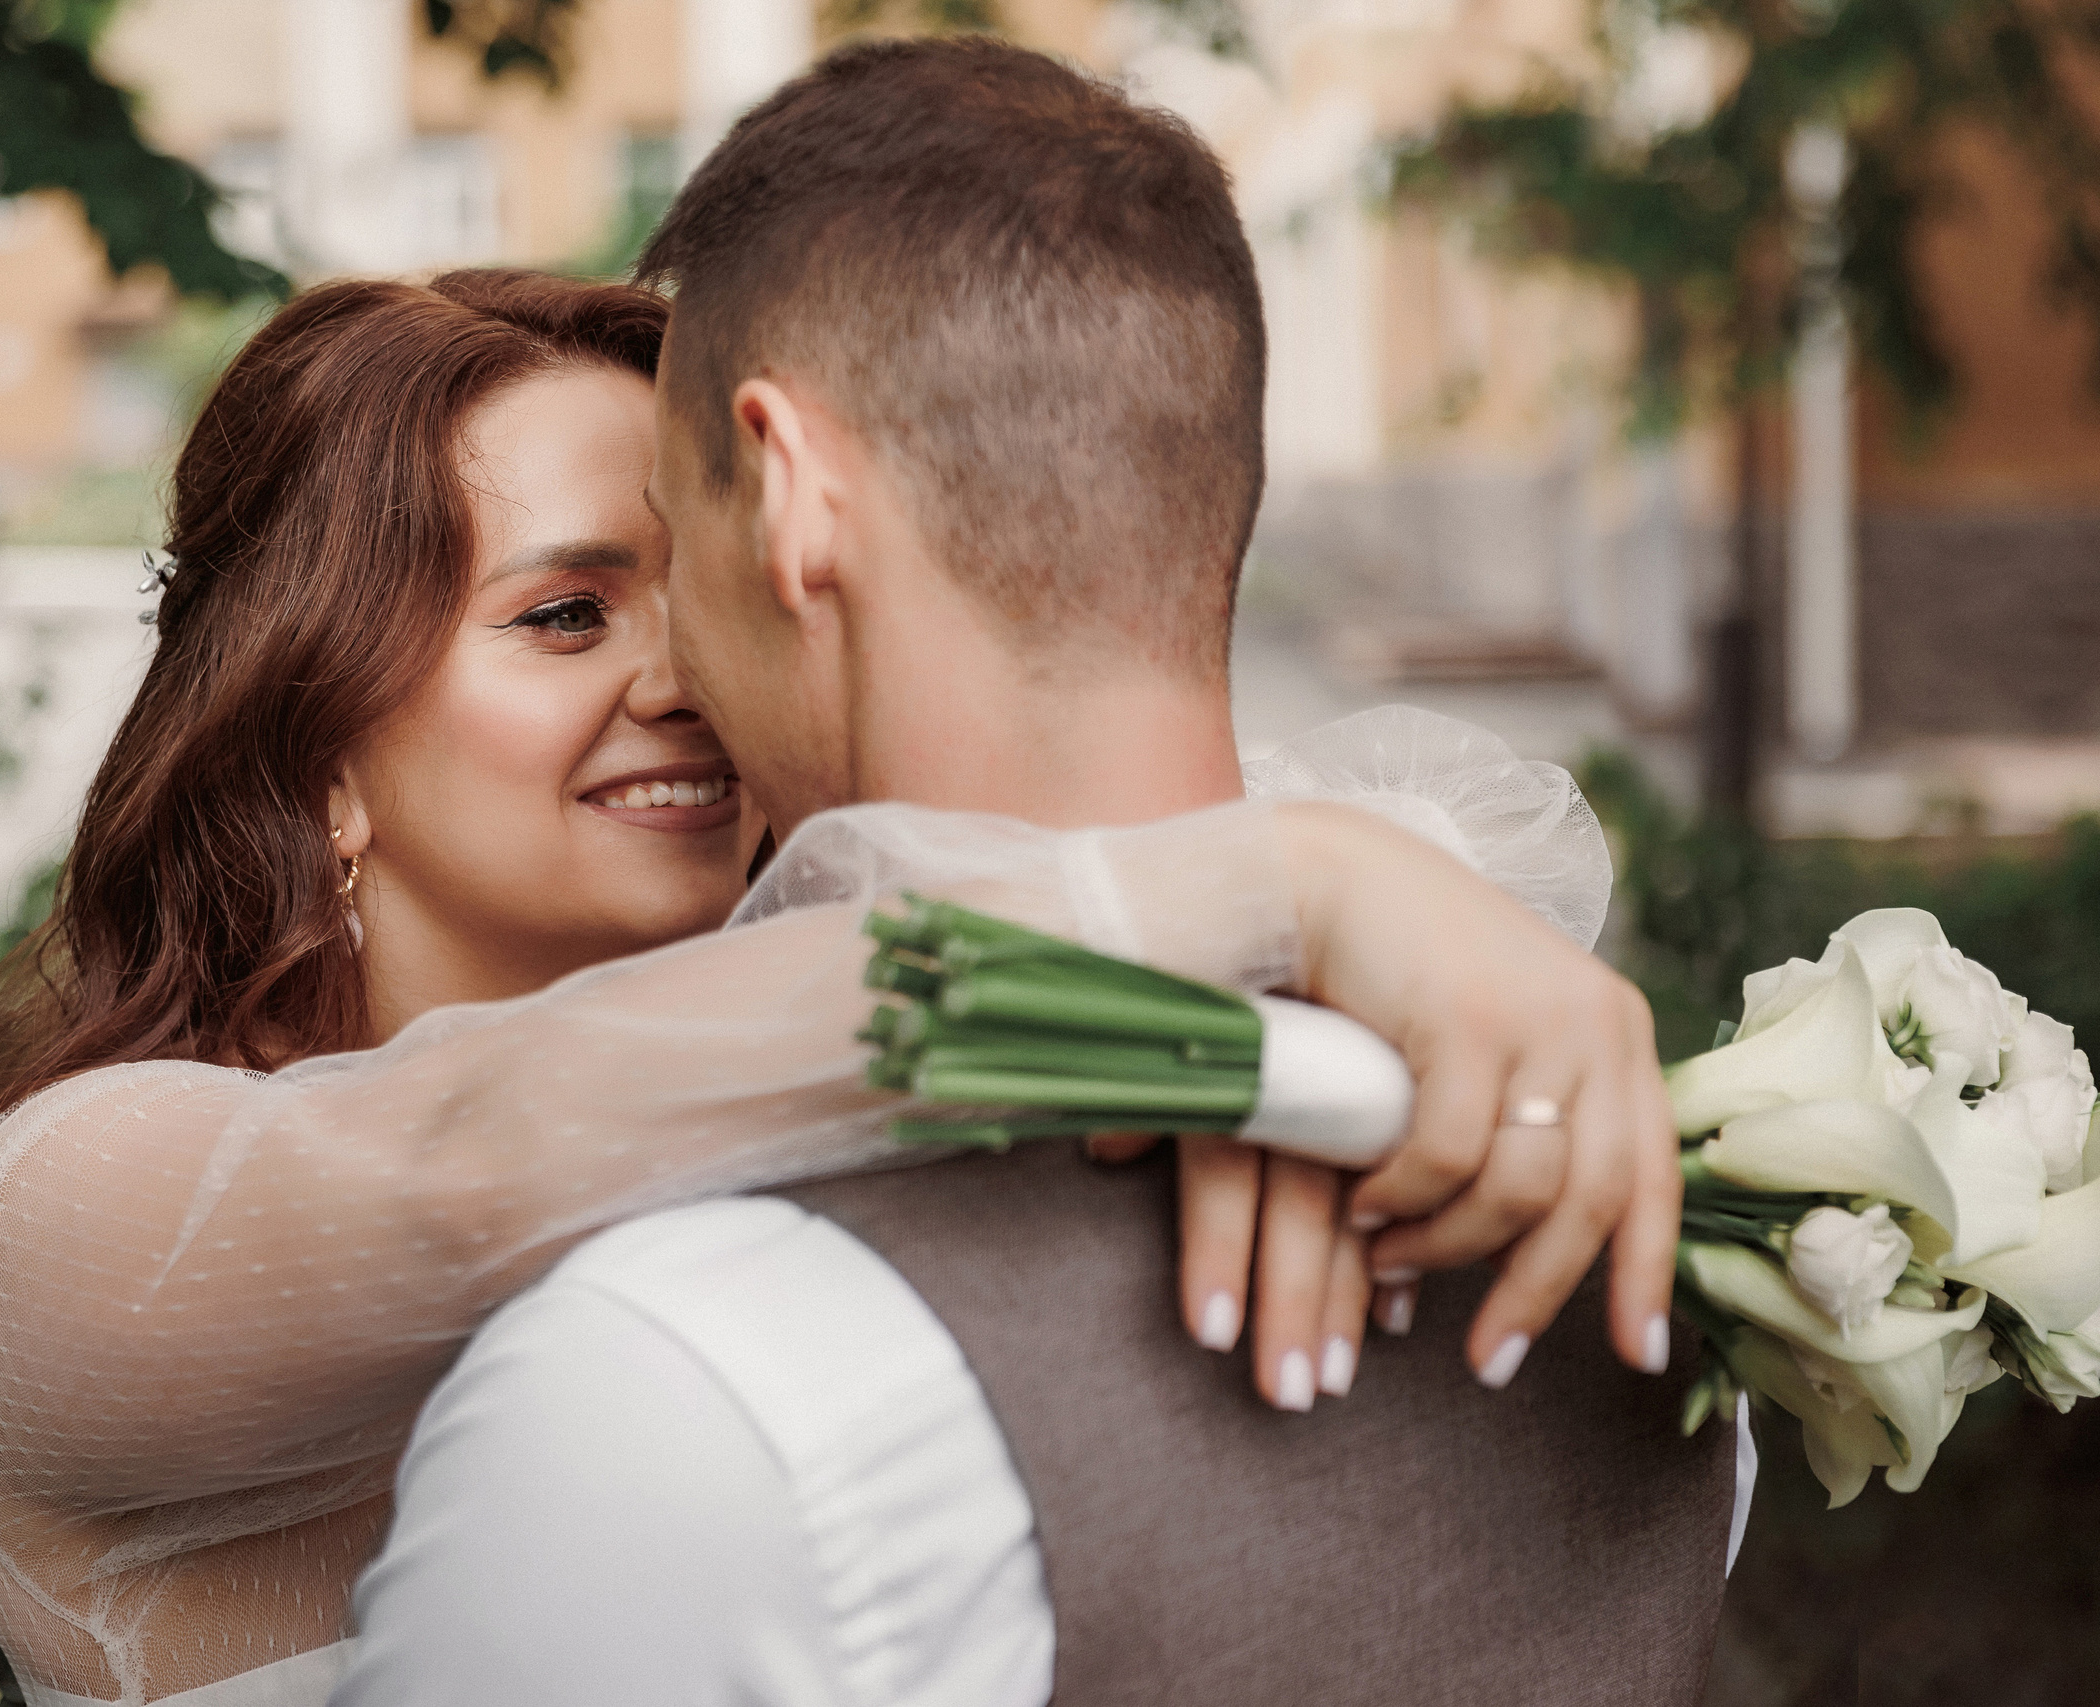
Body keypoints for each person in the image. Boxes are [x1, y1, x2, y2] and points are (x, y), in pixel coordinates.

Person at [0, 269, 1635, 1707]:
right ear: (317, 754)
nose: (682, 681)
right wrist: (1301, 887)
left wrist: (1292, 1045)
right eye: (566, 615)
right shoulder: (77, 1204)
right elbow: (469, 1151)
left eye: (713, 603)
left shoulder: (795, 1073)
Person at [336, 39, 1735, 1707]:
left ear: (789, 497)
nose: (673, 665)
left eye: (672, 524)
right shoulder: (1665, 1261)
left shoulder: (681, 1389)